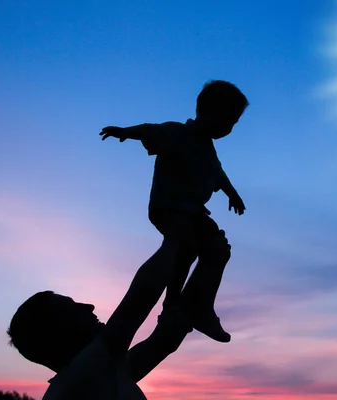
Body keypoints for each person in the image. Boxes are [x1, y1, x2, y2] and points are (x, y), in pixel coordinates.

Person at [99, 80, 248, 343]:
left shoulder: (208, 149)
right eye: (228, 120)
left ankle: (201, 307)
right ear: (207, 112)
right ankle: (172, 304)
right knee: (185, 246)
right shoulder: (177, 133)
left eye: (234, 123)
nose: (230, 128)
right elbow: (149, 130)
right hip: (169, 208)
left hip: (194, 212)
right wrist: (124, 131)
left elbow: (219, 174)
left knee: (218, 249)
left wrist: (232, 193)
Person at [7, 233, 231, 400]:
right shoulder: (77, 384)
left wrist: (210, 263)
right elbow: (138, 302)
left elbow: (166, 338)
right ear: (56, 334)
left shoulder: (103, 375)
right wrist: (174, 238)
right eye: (73, 308)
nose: (89, 306)